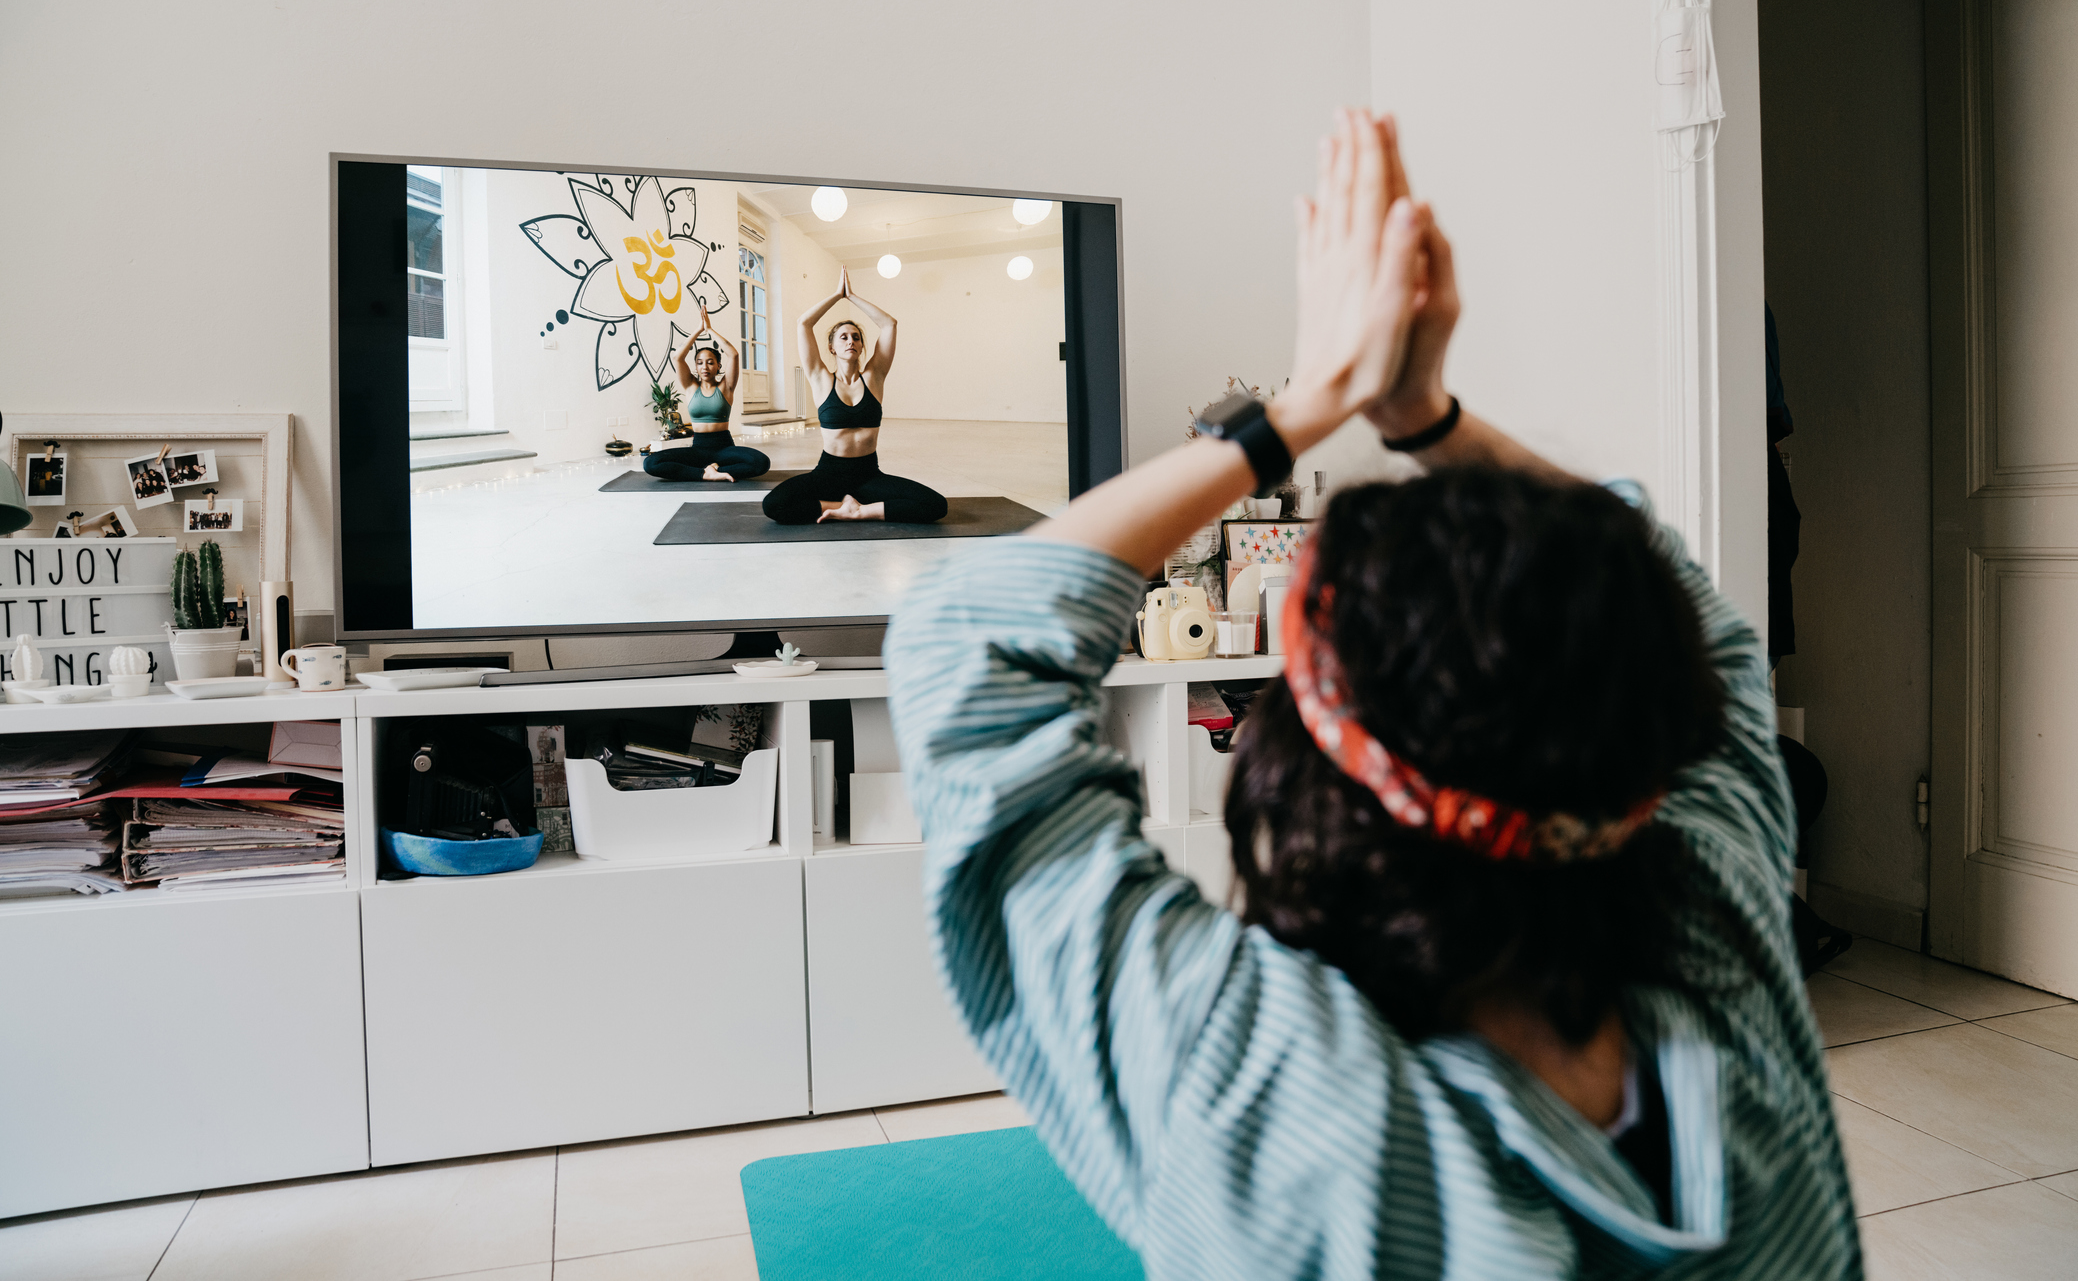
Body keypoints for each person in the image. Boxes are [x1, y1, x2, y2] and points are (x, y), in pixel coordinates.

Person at [883, 112, 1859, 1278]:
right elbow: (1673, 602)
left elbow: (963, 636)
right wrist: (1422, 413)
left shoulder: (1258, 1081)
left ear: (1304, 759)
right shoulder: (1727, 948)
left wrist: (1315, 399)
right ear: (1653, 727)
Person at [762, 270, 947, 524]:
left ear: (861, 346)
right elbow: (804, 323)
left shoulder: (874, 377)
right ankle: (839, 506)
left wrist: (853, 297)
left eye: (856, 337)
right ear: (831, 347)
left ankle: (861, 510)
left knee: (936, 505)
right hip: (828, 474)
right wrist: (837, 296)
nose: (851, 341)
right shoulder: (821, 379)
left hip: (869, 476)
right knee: (773, 505)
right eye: (844, 337)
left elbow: (889, 324)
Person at [639, 314, 771, 483]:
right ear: (695, 366)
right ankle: (705, 473)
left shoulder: (726, 387)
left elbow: (734, 355)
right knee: (651, 463)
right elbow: (677, 357)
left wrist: (709, 330)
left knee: (761, 462)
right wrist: (698, 330)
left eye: (710, 362)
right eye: (700, 363)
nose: (705, 367)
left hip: (724, 448)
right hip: (698, 449)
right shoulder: (690, 386)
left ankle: (715, 469)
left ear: (718, 366)